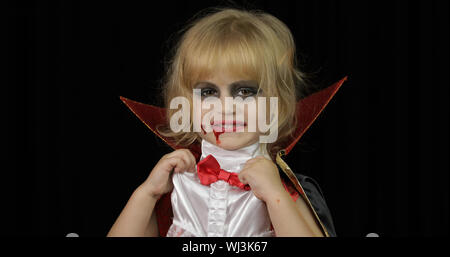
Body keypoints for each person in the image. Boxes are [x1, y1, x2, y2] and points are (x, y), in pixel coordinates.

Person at [108, 7, 346, 237]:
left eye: (245, 91)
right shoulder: (181, 180)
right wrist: (148, 193)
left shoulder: (281, 188)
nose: (226, 107)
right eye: (209, 92)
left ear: (278, 105)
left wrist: (276, 196)